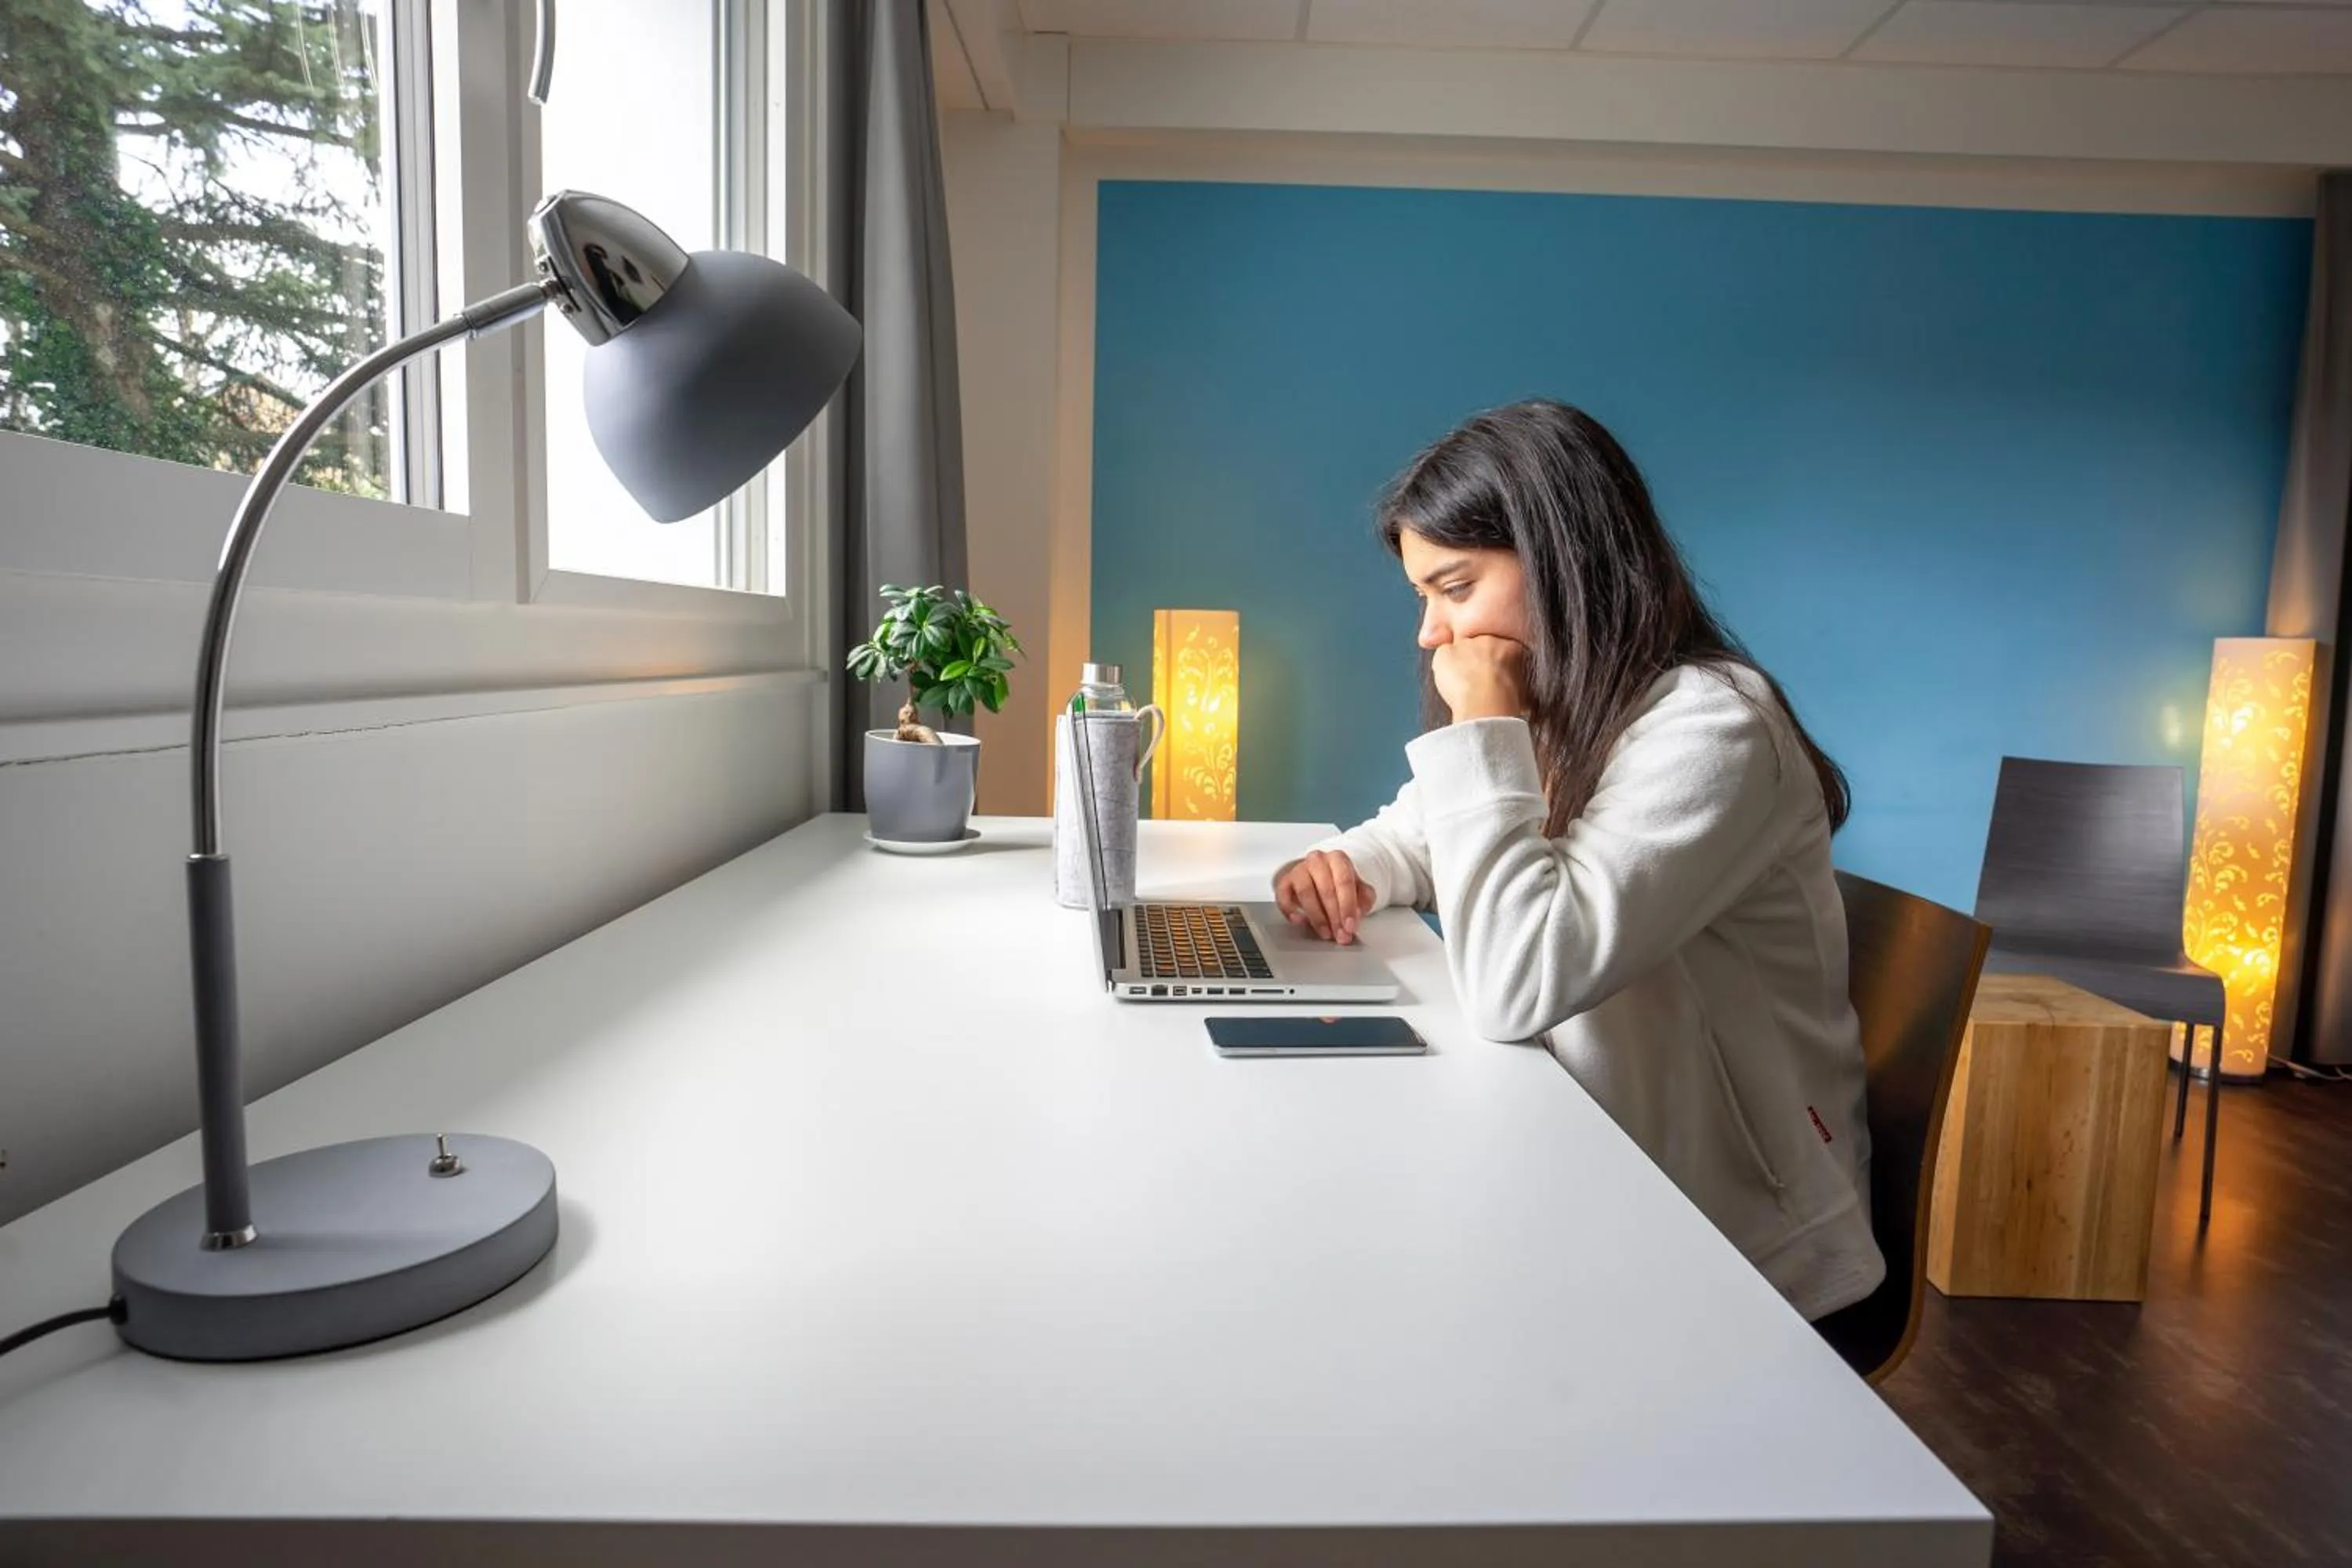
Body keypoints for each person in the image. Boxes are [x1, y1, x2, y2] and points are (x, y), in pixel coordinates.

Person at [1274, 399, 1882, 1322]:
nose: (1430, 633)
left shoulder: (1712, 726)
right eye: (1422, 597)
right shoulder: (1565, 706)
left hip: (1740, 1251)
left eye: (1457, 586)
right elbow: (1419, 832)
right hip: (1596, 1176)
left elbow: (1521, 978)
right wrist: (1347, 862)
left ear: (1562, 562)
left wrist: (1482, 726)